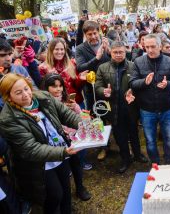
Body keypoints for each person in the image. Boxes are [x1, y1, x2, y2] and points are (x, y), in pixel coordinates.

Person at [0, 73, 80, 213]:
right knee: (55, 195)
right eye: (18, 93)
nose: (25, 95)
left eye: (26, 89)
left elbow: (65, 114)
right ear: (8, 96)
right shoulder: (8, 119)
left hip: (59, 150)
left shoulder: (44, 97)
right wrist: (63, 152)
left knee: (66, 189)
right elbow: (30, 149)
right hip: (38, 163)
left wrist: (83, 124)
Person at [96, 41, 148, 173]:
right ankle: (125, 158)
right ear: (110, 52)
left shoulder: (133, 66)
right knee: (120, 136)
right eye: (115, 52)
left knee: (134, 133)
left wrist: (132, 91)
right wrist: (103, 91)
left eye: (121, 52)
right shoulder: (103, 68)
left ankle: (137, 154)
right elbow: (97, 86)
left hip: (131, 107)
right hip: (113, 108)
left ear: (125, 52)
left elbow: (138, 84)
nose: (118, 55)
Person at [129, 34, 170, 164]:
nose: (150, 50)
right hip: (147, 109)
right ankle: (155, 163)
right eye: (147, 47)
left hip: (166, 108)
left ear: (160, 46)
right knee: (150, 140)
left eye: (153, 46)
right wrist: (144, 82)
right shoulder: (138, 62)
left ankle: (169, 161)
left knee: (169, 138)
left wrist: (168, 84)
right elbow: (132, 83)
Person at [40, 73, 91, 201]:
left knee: (76, 164)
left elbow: (79, 117)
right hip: (56, 142)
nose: (58, 89)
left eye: (60, 86)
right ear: (45, 88)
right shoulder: (42, 104)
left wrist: (76, 108)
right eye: (54, 86)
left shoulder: (67, 99)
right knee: (63, 168)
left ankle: (80, 187)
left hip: (72, 139)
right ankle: (64, 194)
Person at [75, 20, 111, 161]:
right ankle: (103, 147)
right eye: (89, 34)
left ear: (99, 32)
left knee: (113, 115)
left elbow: (120, 58)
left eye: (95, 33)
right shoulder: (80, 48)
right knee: (97, 116)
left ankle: (119, 142)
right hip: (92, 89)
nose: (93, 37)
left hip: (110, 86)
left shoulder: (108, 42)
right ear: (85, 35)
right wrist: (96, 59)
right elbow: (80, 67)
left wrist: (108, 51)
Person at [0, 39, 35, 108]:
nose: (8, 58)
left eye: (10, 54)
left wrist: (28, 87)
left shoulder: (19, 69)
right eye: (3, 55)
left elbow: (35, 90)